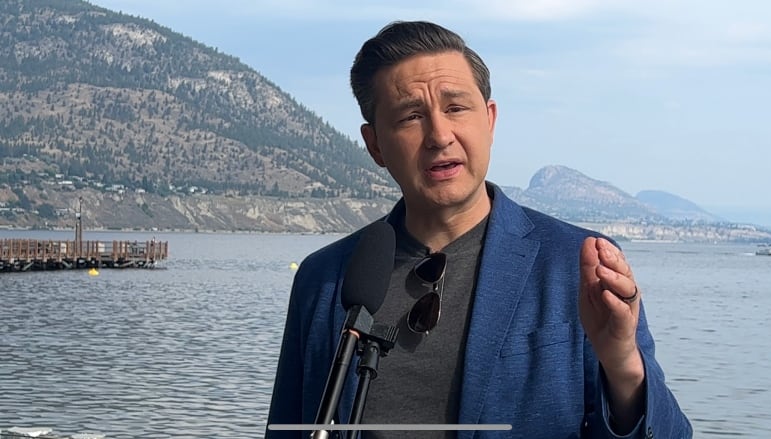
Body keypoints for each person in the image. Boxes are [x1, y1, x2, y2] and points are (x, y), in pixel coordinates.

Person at [266, 20, 692, 438]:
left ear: (489, 119)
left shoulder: (576, 264)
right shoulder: (325, 279)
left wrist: (622, 365)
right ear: (375, 144)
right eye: (411, 116)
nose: (439, 135)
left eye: (455, 108)